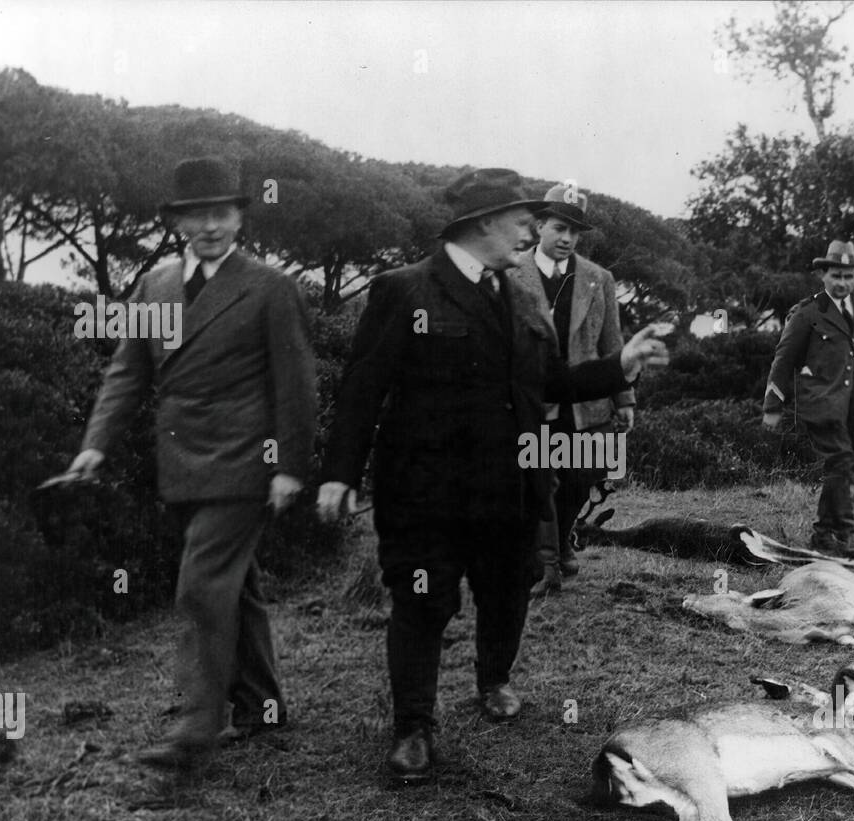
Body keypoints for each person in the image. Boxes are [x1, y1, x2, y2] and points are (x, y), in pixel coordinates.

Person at [316, 168, 668, 785]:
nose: (534, 229)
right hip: (427, 492)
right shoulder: (404, 290)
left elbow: (550, 382)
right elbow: (361, 390)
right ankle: (414, 730)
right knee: (423, 601)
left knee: (509, 589)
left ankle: (493, 680)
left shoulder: (520, 295)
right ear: (481, 222)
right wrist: (340, 473)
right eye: (522, 219)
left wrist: (621, 364)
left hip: (512, 485)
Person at [68, 157, 317, 772]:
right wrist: (95, 443)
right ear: (178, 221)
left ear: (239, 217)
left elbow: (298, 385)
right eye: (196, 214)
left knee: (202, 587)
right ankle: (262, 705)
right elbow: (128, 371)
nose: (210, 225)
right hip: (180, 459)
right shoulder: (153, 285)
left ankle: (195, 729)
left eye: (222, 212)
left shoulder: (269, 287)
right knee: (239, 586)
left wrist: (288, 466)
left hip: (242, 460)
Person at [509, 183, 634, 596]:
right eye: (560, 228)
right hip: (531, 402)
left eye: (575, 232)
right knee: (541, 479)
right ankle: (546, 567)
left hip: (586, 404)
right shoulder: (510, 275)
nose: (567, 239)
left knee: (581, 477)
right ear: (540, 225)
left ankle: (563, 540)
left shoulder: (600, 279)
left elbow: (612, 345)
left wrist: (624, 398)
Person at [762, 240, 854, 561]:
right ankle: (846, 533)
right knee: (841, 461)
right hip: (820, 403)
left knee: (840, 466)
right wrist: (773, 407)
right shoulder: (808, 313)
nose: (842, 283)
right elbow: (783, 361)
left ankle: (821, 533)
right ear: (823, 276)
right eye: (836, 276)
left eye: (848, 276)